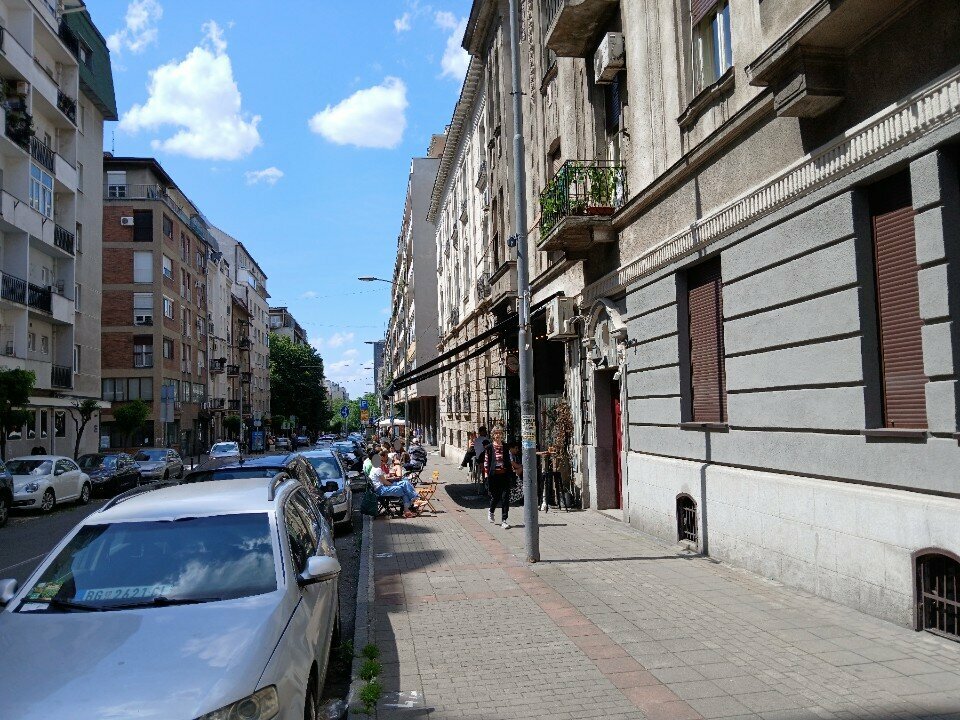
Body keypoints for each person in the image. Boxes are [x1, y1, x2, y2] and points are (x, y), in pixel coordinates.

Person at [368, 450, 419, 518]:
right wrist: (394, 484)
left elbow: (383, 480)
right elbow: (385, 482)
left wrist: (394, 482)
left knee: (404, 485)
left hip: (379, 489)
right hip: (381, 490)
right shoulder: (378, 469)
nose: (383, 462)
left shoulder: (374, 468)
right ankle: (413, 502)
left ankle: (409, 507)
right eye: (381, 461)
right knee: (404, 488)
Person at [484, 426, 514, 529]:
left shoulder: (505, 446)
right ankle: (491, 511)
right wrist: (486, 476)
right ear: (493, 435)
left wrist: (511, 472)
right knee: (496, 496)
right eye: (496, 433)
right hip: (494, 476)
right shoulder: (489, 447)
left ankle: (504, 520)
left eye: (500, 433)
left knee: (505, 498)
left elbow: (509, 460)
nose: (498, 435)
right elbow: (486, 462)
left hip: (504, 475)